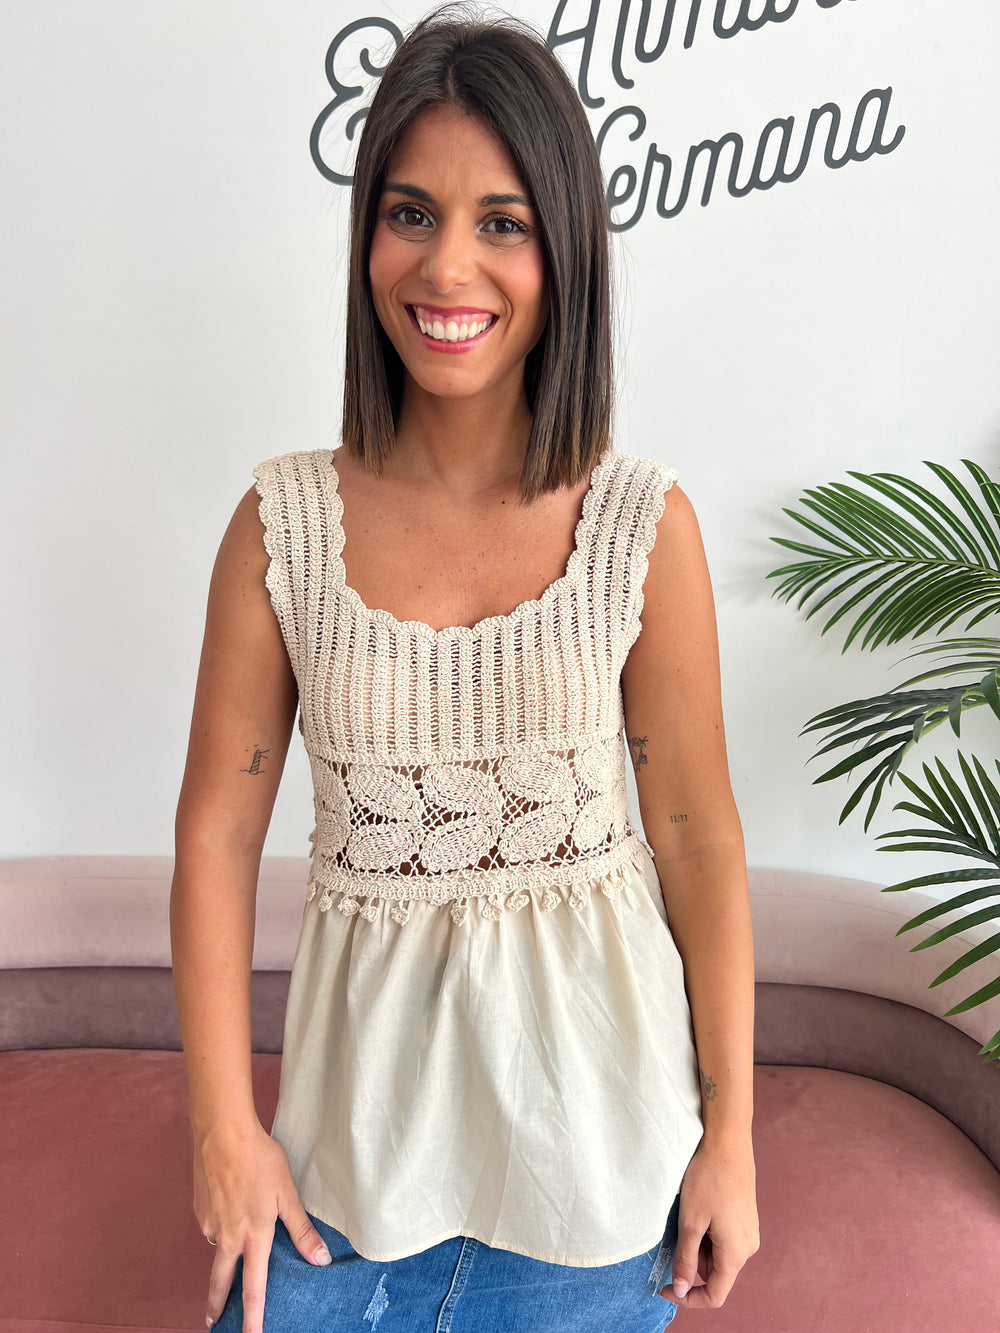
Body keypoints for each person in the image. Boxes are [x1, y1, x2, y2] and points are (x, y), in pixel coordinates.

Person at [169, 4, 759, 1331]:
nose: (448, 266)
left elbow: (696, 834)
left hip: (605, 1196)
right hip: (337, 1196)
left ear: (565, 249)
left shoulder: (641, 527)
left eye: (503, 222)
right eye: (410, 213)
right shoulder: (280, 528)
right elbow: (215, 834)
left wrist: (732, 1132)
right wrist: (223, 1131)